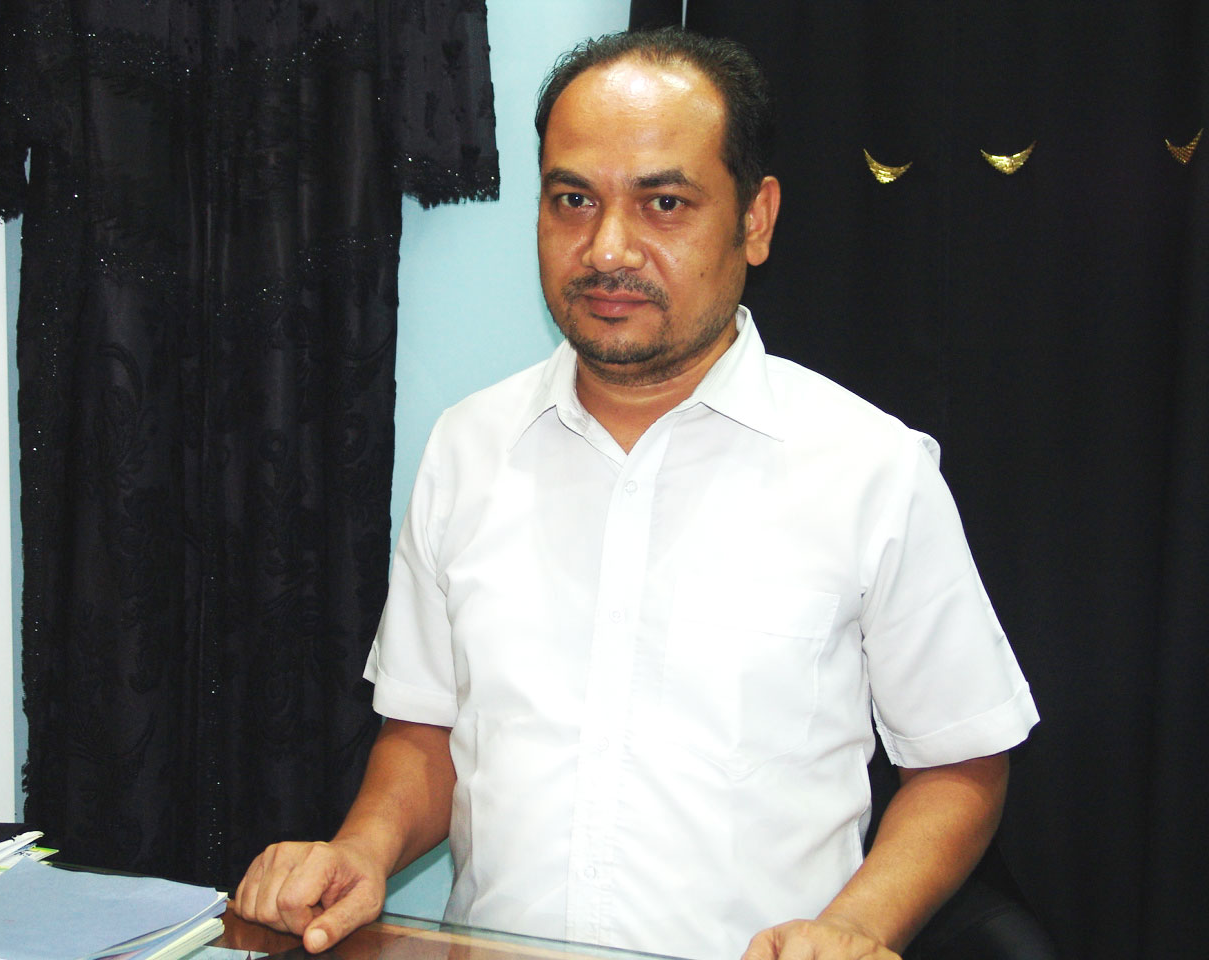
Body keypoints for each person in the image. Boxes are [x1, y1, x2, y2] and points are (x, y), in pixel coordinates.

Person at [234, 28, 1039, 960]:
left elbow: (960, 760)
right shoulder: (469, 447)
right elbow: (426, 731)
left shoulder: (871, 467)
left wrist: (853, 929)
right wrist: (362, 849)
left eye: (664, 203)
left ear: (756, 219)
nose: (606, 248)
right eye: (573, 200)